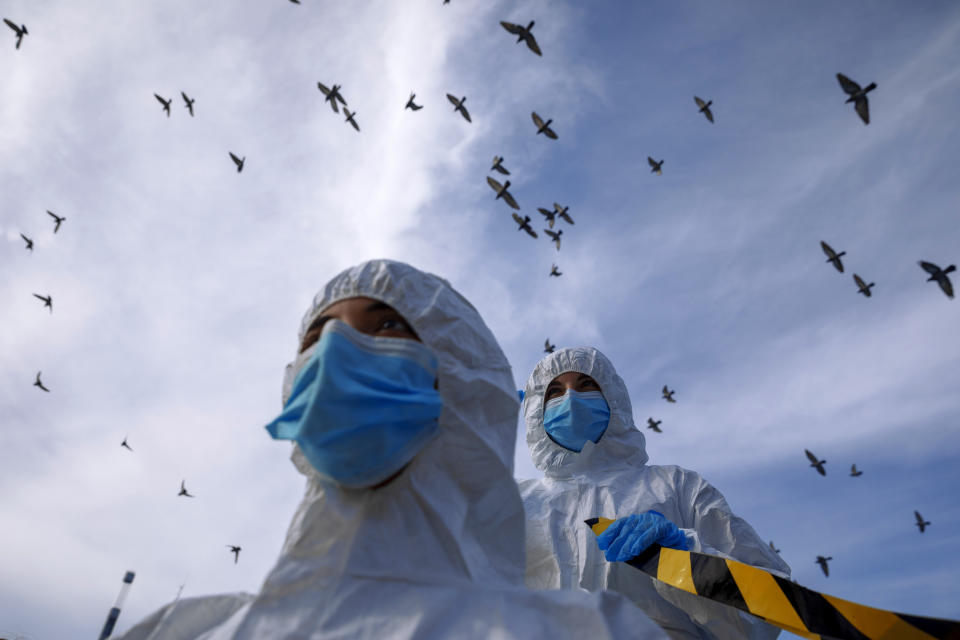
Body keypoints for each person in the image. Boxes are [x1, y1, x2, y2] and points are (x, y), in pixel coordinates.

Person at [115, 260, 667, 639]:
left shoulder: (586, 626)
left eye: (385, 326)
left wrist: (691, 573)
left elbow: (756, 612)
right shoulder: (187, 630)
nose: (336, 350)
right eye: (317, 336)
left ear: (461, 385)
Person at [519, 346, 791, 639]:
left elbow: (770, 610)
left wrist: (687, 561)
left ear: (614, 398)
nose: (570, 399)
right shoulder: (516, 504)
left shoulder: (676, 487)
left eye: (586, 385)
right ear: (537, 410)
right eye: (555, 392)